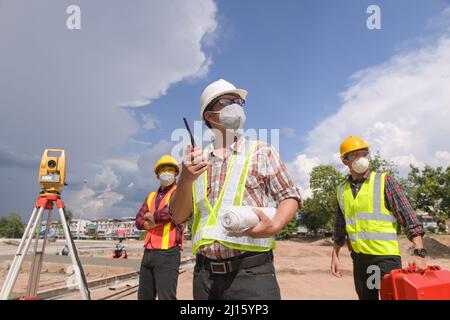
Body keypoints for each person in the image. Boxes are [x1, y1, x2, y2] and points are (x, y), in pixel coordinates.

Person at [169, 79, 302, 300]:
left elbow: (289, 195)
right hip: (204, 277)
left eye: (238, 101)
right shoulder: (195, 163)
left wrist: (276, 223)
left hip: (252, 275)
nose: (236, 105)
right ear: (209, 116)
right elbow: (178, 216)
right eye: (227, 101)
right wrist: (185, 180)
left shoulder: (262, 151)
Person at [330, 136, 427, 300]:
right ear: (345, 161)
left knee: (391, 297)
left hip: (384, 259)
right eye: (355, 155)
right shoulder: (341, 190)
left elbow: (407, 216)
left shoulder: (384, 181)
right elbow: (340, 226)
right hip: (360, 260)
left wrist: (419, 252)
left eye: (364, 154)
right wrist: (335, 255)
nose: (362, 158)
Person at [135, 155, 184, 300]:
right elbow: (138, 221)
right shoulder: (151, 196)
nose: (166, 172)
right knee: (144, 296)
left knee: (166, 297)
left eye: (169, 169)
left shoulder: (179, 193)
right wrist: (154, 221)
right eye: (162, 170)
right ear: (157, 175)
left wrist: (151, 217)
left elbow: (171, 212)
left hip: (168, 253)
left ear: (176, 173)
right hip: (149, 252)